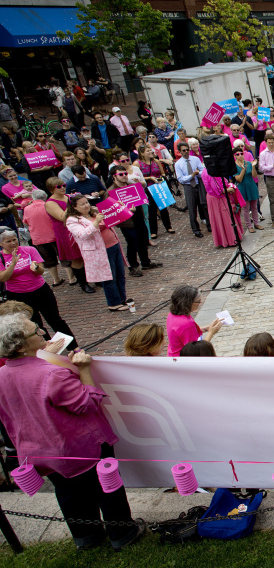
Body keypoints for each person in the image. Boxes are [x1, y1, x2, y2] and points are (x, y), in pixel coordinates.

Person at [0, 316, 145, 551]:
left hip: (38, 450)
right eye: (35, 331)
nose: (42, 332)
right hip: (81, 446)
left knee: (68, 492)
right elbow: (87, 403)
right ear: (21, 345)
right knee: (106, 488)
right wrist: (84, 369)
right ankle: (123, 533)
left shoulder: (3, 374)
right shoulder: (51, 375)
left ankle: (86, 537)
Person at [0, 229, 76, 349]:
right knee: (36, 324)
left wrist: (35, 268)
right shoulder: (1, 257)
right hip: (19, 295)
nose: (13, 243)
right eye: (8, 241)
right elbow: (3, 278)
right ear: (1, 244)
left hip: (40, 290)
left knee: (55, 319)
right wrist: (13, 263)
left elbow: (40, 270)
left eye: (14, 240)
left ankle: (73, 347)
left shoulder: (29, 250)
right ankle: (48, 349)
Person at [64, 195, 130, 311]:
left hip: (114, 245)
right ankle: (114, 303)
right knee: (109, 277)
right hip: (100, 251)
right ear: (74, 207)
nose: (86, 205)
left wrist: (122, 209)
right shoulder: (72, 220)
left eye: (86, 202)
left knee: (120, 274)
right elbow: (82, 234)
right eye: (83, 204)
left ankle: (122, 298)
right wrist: (96, 222)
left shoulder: (94, 211)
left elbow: (113, 219)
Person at [107, 165, 160, 277]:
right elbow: (111, 211)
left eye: (125, 173)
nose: (124, 176)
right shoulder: (111, 191)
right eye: (120, 174)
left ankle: (145, 262)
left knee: (143, 240)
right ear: (114, 176)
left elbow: (141, 199)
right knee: (132, 243)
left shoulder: (132, 186)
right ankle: (133, 266)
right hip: (127, 222)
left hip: (138, 218)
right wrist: (125, 210)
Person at [45, 177, 90, 292]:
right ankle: (83, 283)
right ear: (51, 189)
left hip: (78, 227)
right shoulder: (50, 203)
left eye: (64, 185)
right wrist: (72, 204)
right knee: (75, 257)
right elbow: (61, 217)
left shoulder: (68, 197)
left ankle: (91, 278)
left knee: (85, 254)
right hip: (65, 231)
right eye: (59, 187)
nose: (63, 188)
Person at [166, 285, 223, 357]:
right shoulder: (186, 324)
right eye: (198, 301)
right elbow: (197, 351)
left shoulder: (173, 314)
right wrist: (211, 332)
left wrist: (206, 328)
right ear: (188, 303)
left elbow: (188, 333)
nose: (200, 303)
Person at [201, 162, 243, 248]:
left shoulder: (206, 171)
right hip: (218, 198)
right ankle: (231, 240)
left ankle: (226, 239)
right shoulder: (211, 172)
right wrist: (230, 189)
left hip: (213, 198)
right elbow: (218, 189)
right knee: (225, 217)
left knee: (220, 218)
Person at [174, 143, 210, 238]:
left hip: (199, 185)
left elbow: (203, 171)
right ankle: (196, 229)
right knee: (192, 208)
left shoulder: (195, 159)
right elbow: (180, 179)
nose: (186, 152)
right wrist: (191, 176)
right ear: (180, 152)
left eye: (187, 150)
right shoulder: (178, 164)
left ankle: (209, 225)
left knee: (204, 205)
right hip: (189, 186)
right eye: (184, 150)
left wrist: (198, 173)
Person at [233, 150, 262, 233]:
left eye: (241, 153)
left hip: (251, 186)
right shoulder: (234, 166)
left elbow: (254, 175)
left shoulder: (248, 163)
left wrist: (253, 167)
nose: (240, 155)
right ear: (235, 156)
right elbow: (238, 179)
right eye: (238, 154)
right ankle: (249, 225)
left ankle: (256, 223)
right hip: (242, 188)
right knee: (246, 208)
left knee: (254, 207)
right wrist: (242, 170)